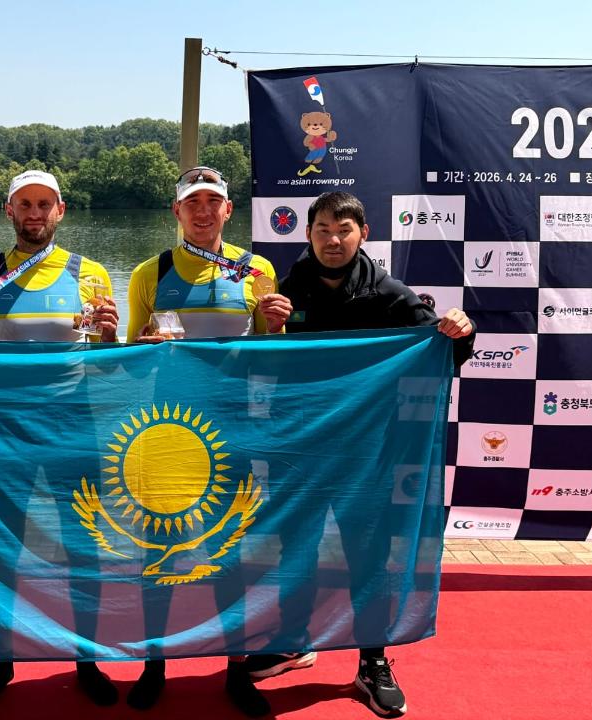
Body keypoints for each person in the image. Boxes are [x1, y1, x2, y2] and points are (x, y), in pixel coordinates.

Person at [245, 191, 475, 718]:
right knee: (295, 544)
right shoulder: (284, 290)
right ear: (308, 234)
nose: (333, 239)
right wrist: (270, 329)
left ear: (363, 234)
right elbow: (262, 370)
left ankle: (372, 660)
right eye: (322, 229)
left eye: (343, 229)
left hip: (368, 452)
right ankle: (293, 640)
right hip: (302, 446)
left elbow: (444, 350)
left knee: (367, 552)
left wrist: (462, 330)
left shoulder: (389, 293)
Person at [126, 166, 298, 717]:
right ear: (176, 212)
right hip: (168, 433)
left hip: (237, 428)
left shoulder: (257, 269)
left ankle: (236, 669)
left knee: (237, 551)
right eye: (192, 203)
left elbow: (274, 354)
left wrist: (279, 324)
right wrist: (142, 347)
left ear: (228, 210)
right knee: (159, 550)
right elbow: (128, 363)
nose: (203, 212)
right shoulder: (149, 272)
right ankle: (154, 664)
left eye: (213, 202)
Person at [0, 169, 121, 708]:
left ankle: (86, 659)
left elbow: (108, 366)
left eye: (44, 204)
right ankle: (2, 661)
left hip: (74, 426)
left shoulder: (90, 273)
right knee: (2, 550)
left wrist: (111, 337)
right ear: (9, 211)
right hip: (5, 428)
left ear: (60, 211)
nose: (34, 213)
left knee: (83, 548)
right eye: (24, 204)